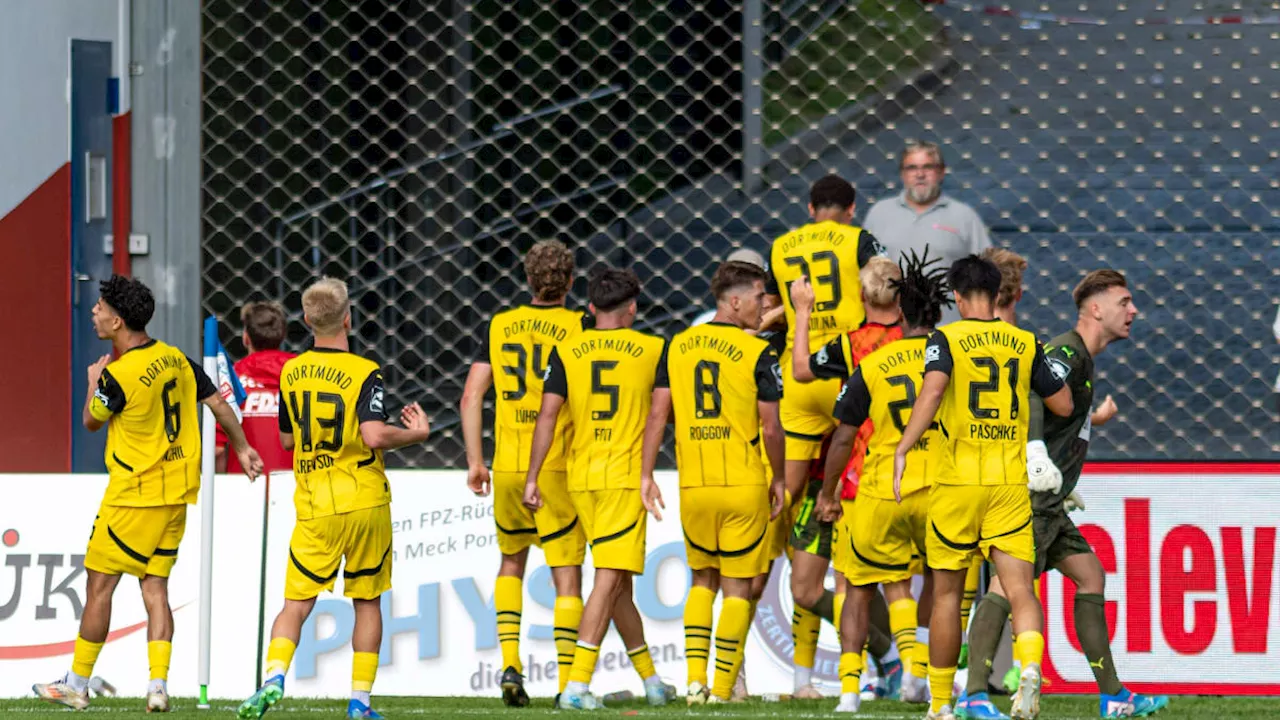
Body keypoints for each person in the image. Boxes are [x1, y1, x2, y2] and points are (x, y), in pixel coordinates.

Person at [33, 276, 264, 713]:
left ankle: (77, 683)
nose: (94, 313)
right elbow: (216, 402)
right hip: (176, 496)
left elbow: (90, 422)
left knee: (100, 587)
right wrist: (242, 446)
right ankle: (158, 686)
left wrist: (93, 382)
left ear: (118, 321)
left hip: (132, 498)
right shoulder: (175, 358)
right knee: (155, 588)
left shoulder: (117, 376)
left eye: (100, 308)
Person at [958, 270, 1168, 720]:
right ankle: (973, 693)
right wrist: (1036, 456)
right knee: (1005, 586)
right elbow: (1032, 395)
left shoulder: (1081, 359)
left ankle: (1113, 696)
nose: (1133, 311)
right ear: (1096, 309)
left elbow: (1061, 415)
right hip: (1029, 497)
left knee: (1090, 575)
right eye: (1124, 302)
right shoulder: (1066, 352)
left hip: (1051, 500)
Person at [237, 278, 431, 720]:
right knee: (367, 602)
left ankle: (273, 679)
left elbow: (287, 438)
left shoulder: (293, 370)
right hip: (363, 500)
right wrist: (416, 433)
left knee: (295, 605)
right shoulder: (365, 371)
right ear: (348, 318)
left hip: (315, 505)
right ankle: (360, 702)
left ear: (306, 321)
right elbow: (374, 434)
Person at [893, 255, 1073, 720]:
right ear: (998, 295)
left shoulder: (945, 337)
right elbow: (1063, 402)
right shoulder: (1025, 342)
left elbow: (933, 392)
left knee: (949, 596)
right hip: (1009, 483)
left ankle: (940, 705)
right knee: (1020, 591)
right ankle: (1030, 670)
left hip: (958, 482)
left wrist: (902, 449)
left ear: (955, 296)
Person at [524, 267, 669, 711]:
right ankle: (576, 686)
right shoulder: (652, 348)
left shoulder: (567, 349)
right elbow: (657, 417)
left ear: (589, 309)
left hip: (579, 477)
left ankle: (653, 682)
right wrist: (647, 474)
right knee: (607, 581)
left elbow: (547, 416)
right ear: (632, 308)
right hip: (624, 478)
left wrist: (532, 476)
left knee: (618, 582)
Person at [641, 260, 786, 704]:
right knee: (738, 589)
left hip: (695, 487)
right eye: (760, 297)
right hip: (742, 483)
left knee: (702, 582)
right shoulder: (757, 351)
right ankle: (724, 690)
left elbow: (658, 414)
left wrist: (646, 473)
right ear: (735, 301)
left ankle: (695, 682)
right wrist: (779, 477)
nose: (764, 305)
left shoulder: (678, 346)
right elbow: (772, 428)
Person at [815, 250, 952, 713]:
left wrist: (827, 492)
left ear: (902, 313)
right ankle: (926, 680)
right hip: (940, 490)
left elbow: (842, 437)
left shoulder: (874, 364)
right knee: (943, 582)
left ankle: (850, 694)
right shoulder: (952, 360)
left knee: (857, 585)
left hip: (879, 489)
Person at [765, 174, 885, 697]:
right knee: (853, 470)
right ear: (852, 209)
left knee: (784, 499)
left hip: (798, 376)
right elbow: (882, 283)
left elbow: (781, 307)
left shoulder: (781, 246)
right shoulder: (857, 240)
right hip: (844, 369)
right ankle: (905, 662)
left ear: (810, 208)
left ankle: (751, 571)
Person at [459, 240, 588, 706]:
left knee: (511, 562)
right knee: (566, 575)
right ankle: (567, 685)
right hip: (557, 465)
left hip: (510, 464)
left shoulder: (500, 324)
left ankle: (510, 663)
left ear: (527, 279)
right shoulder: (581, 326)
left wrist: (476, 460)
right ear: (571, 282)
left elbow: (471, 397)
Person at [789, 257, 907, 700]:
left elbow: (801, 369)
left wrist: (803, 311)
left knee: (858, 584)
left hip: (863, 479)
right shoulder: (918, 344)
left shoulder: (856, 345)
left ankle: (896, 675)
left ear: (861, 295)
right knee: (809, 587)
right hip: (846, 477)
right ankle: (894, 658)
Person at [863, 141, 993, 326]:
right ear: (902, 174)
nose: (920, 174)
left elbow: (987, 277)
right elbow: (862, 274)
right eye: (912, 168)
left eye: (928, 167)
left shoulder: (964, 216)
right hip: (890, 333)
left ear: (941, 172)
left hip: (949, 333)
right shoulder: (879, 214)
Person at [216, 301, 296, 474]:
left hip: (244, 488)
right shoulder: (303, 374)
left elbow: (217, 449)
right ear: (282, 336)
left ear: (246, 338)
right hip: (297, 488)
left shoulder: (231, 379)